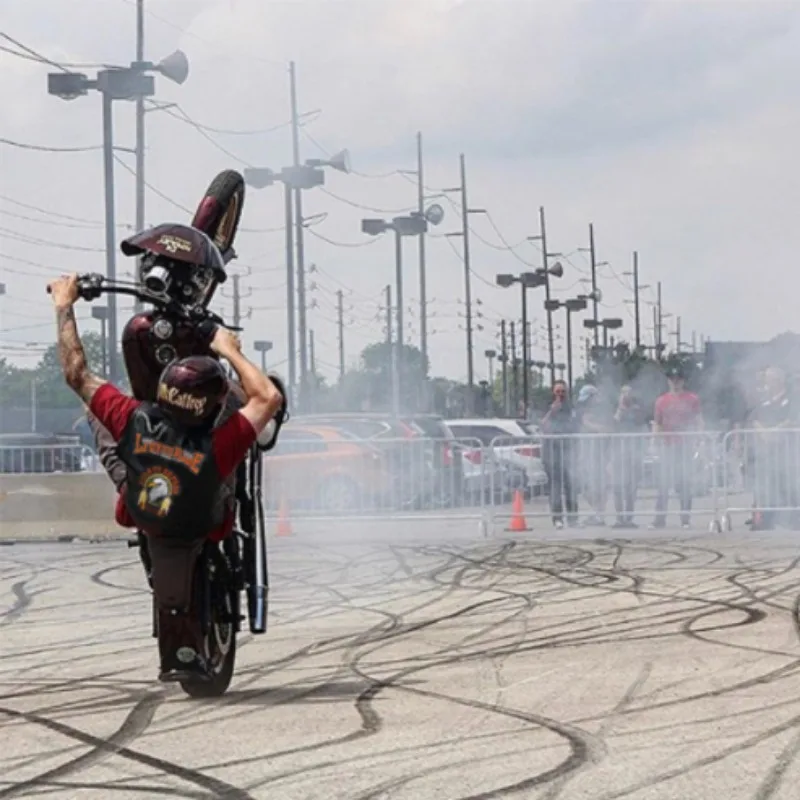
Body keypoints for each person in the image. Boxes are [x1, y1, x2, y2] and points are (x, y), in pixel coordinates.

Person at [48, 272, 285, 679]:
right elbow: (269, 397)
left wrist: (63, 305)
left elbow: (76, 373)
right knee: (231, 473)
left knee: (96, 412)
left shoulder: (131, 416)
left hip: (144, 515)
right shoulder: (219, 444)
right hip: (205, 525)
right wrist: (229, 351)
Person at [651, 363, 703, 529]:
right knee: (663, 484)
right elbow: (657, 423)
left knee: (684, 483)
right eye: (672, 379)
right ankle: (660, 518)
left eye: (678, 379)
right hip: (668, 446)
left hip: (685, 446)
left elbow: (698, 420)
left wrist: (699, 438)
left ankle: (685, 518)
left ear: (683, 381)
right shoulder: (661, 401)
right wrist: (654, 441)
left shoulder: (692, 399)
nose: (675, 382)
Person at [747, 366, 799, 530]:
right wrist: (763, 432)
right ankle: (766, 520)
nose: (767, 383)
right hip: (767, 454)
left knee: (789, 486)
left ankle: (795, 521)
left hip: (787, 452)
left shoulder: (792, 399)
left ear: (779, 381)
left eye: (770, 379)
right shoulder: (764, 403)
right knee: (767, 486)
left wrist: (776, 430)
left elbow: (793, 419)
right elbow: (753, 419)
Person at [540, 380, 578, 529]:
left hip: (568, 452)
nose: (561, 395)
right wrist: (552, 411)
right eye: (558, 392)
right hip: (552, 453)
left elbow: (576, 426)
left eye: (563, 392)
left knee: (571, 486)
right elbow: (542, 425)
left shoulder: (571, 407)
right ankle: (557, 518)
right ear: (553, 392)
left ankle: (573, 518)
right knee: (555, 487)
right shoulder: (547, 407)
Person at [575, 384, 613, 526]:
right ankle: (598, 513)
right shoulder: (582, 410)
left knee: (599, 485)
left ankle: (599, 515)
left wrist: (596, 428)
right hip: (587, 453)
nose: (586, 402)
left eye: (588, 399)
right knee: (586, 486)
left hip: (599, 454)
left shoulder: (603, 411)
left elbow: (607, 428)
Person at [610, 384, 646, 528]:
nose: (626, 396)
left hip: (633, 453)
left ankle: (629, 518)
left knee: (631, 487)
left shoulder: (636, 410)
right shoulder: (617, 411)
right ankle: (619, 517)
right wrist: (620, 409)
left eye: (629, 393)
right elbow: (613, 425)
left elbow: (640, 423)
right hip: (618, 453)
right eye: (623, 393)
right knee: (617, 486)